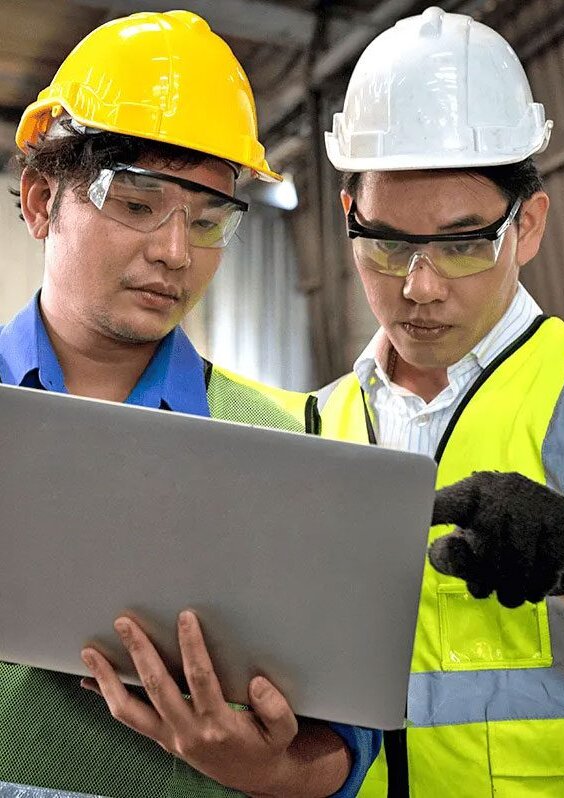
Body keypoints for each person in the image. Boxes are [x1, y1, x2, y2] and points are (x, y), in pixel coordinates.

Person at [0, 10, 380, 798]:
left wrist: (272, 767)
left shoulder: (276, 450)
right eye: (137, 205)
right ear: (40, 200)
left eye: (208, 221)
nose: (176, 252)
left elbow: (349, 741)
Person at [319, 6, 564, 797]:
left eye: (465, 243)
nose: (421, 287)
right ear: (349, 218)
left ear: (530, 225)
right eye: (387, 244)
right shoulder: (318, 421)